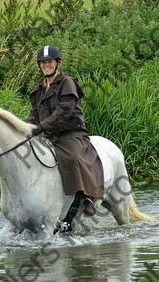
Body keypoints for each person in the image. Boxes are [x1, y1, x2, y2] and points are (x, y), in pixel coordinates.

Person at [26, 45, 104, 230]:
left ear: (57, 63)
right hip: (49, 136)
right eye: (43, 63)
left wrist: (41, 127)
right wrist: (25, 129)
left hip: (71, 134)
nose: (46, 65)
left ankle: (87, 197)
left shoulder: (67, 83)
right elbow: (34, 114)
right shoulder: (38, 90)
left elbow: (63, 112)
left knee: (74, 158)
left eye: (50, 62)